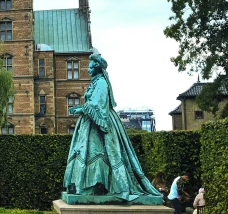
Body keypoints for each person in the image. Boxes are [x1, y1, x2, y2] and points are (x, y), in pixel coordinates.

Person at [62, 53, 162, 202]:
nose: (88, 70)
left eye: (90, 67)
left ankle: (100, 185)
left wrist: (81, 109)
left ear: (97, 68)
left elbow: (97, 104)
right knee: (89, 152)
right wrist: (81, 109)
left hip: (100, 123)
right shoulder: (96, 82)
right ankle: (90, 186)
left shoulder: (101, 82)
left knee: (101, 151)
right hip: (90, 123)